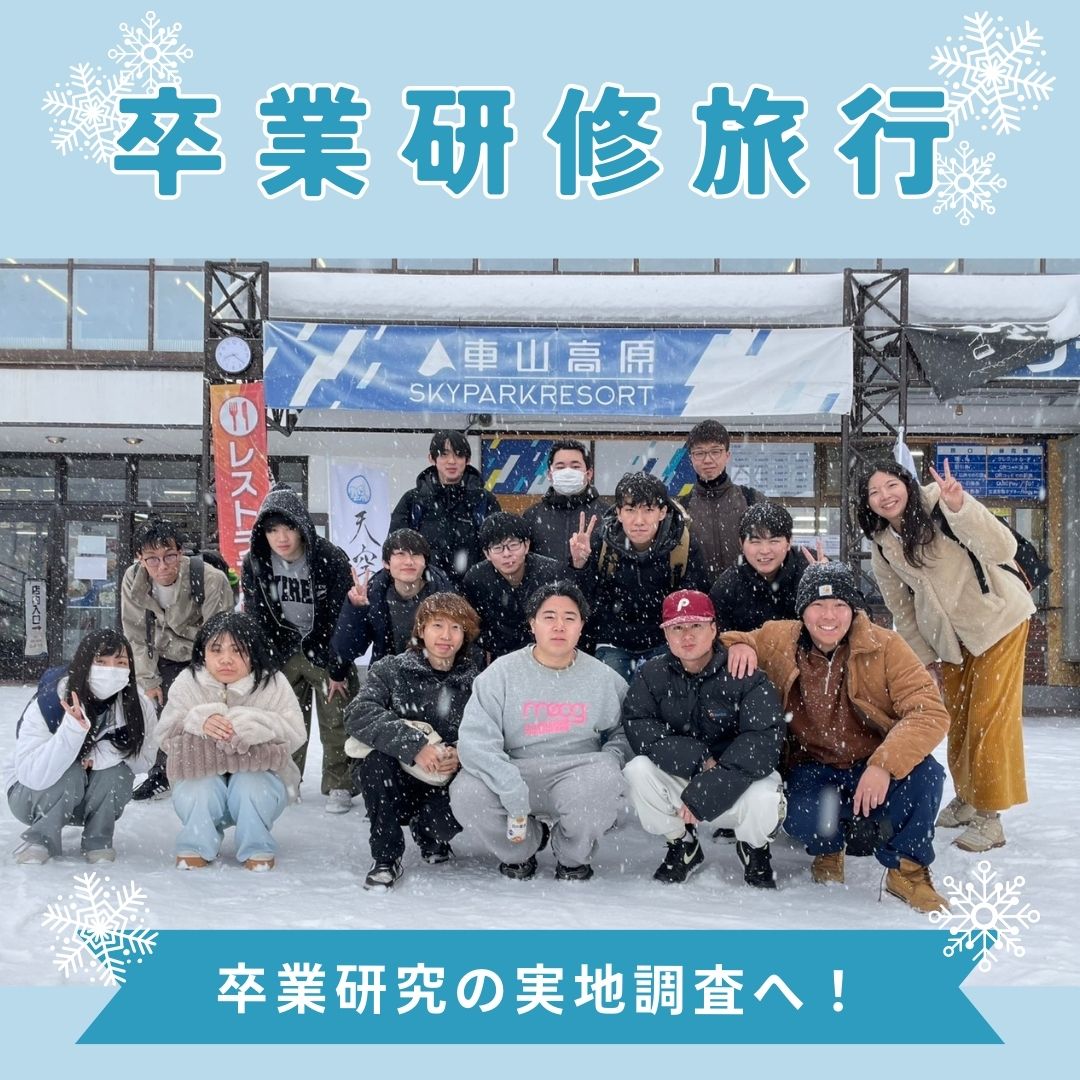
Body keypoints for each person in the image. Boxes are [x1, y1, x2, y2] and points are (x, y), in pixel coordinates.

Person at [724, 562, 951, 913]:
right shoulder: (779, 638)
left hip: (871, 760)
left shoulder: (886, 646)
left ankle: (907, 870)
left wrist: (884, 765)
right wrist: (740, 645)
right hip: (812, 766)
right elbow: (727, 640)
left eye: (839, 605)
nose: (828, 615)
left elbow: (929, 711)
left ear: (853, 609)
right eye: (817, 605)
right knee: (802, 814)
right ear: (802, 610)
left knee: (926, 776)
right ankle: (828, 849)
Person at [859, 457, 1035, 853]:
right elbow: (902, 609)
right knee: (955, 718)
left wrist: (961, 508)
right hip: (948, 641)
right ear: (866, 502)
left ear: (907, 483)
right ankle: (968, 796)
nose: (885, 496)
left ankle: (989, 816)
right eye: (874, 492)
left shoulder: (941, 502)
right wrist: (924, 660)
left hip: (996, 620)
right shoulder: (883, 545)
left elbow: (1002, 548)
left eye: (891, 485)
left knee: (988, 717)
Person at [451, 581, 630, 881]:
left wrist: (611, 758)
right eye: (549, 617)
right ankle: (521, 849)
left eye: (569, 618)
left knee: (603, 779)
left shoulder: (603, 678)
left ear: (581, 626)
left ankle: (571, 855)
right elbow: (475, 740)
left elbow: (627, 729)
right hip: (513, 770)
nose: (559, 626)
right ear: (532, 623)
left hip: (577, 772)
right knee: (466, 793)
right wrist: (509, 785)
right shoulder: (501, 673)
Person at [623, 590, 786, 887]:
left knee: (766, 796)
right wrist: (698, 759)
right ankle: (682, 844)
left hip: (736, 779)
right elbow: (639, 725)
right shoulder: (651, 674)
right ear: (666, 634)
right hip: (687, 773)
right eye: (677, 628)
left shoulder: (745, 672)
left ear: (713, 628)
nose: (687, 635)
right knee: (638, 770)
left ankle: (754, 848)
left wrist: (710, 787)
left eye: (696, 625)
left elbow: (763, 740)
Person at [344, 593, 481, 890]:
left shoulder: (477, 680)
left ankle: (429, 833)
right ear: (421, 629)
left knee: (452, 813)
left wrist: (461, 753)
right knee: (375, 764)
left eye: (456, 627)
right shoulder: (392, 669)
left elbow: (492, 730)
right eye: (437, 625)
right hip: (399, 776)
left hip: (447, 779)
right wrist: (415, 746)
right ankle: (386, 857)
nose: (446, 636)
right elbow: (358, 712)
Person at [241, 482, 358, 814]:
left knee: (337, 717)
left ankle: (339, 783)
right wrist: (264, 662)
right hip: (283, 648)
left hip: (325, 647)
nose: (281, 537)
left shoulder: (329, 558)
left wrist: (337, 665)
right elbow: (257, 615)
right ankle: (286, 779)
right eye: (272, 530)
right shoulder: (256, 562)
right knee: (286, 720)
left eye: (288, 528)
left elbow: (343, 616)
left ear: (302, 526)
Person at [157, 612, 305, 871]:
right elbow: (164, 736)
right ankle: (196, 843)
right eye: (216, 650)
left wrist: (261, 724)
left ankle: (256, 845)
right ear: (203, 652)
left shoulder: (272, 682)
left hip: (261, 775)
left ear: (253, 652)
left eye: (238, 650)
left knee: (251, 785)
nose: (226, 659)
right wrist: (197, 721)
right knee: (200, 787)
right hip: (200, 771)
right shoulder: (188, 681)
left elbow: (296, 733)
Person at [7, 628, 157, 864]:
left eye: (120, 663)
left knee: (115, 773)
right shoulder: (51, 701)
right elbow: (31, 774)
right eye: (101, 662)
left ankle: (98, 841)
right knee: (71, 773)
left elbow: (144, 761)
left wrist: (103, 753)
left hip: (88, 799)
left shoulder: (138, 705)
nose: (111, 670)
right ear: (84, 663)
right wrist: (72, 733)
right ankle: (40, 840)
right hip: (31, 797)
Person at [120, 519, 233, 800]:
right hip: (162, 654)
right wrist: (149, 679)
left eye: (169, 556)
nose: (162, 566)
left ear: (180, 552)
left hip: (203, 654)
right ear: (139, 558)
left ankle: (221, 772)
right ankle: (162, 773)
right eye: (152, 559)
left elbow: (219, 637)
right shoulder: (133, 580)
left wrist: (209, 680)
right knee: (162, 712)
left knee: (211, 710)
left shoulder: (210, 579)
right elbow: (135, 634)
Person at [569, 471, 709, 682]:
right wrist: (580, 566)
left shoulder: (682, 544)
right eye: (630, 510)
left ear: (662, 512)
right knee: (609, 694)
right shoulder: (602, 542)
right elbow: (583, 599)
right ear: (619, 512)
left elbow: (696, 600)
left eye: (648, 510)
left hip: (664, 640)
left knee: (666, 692)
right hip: (613, 641)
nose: (639, 521)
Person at [389, 430, 501, 586]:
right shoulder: (413, 501)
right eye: (444, 455)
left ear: (468, 460)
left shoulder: (484, 500)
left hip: (474, 590)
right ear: (431, 458)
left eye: (459, 455)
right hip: (425, 589)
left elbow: (498, 548)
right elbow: (395, 549)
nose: (451, 461)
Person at [331, 528, 455, 667]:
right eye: (400, 554)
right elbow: (347, 651)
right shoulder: (375, 594)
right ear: (386, 563)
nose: (409, 561)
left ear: (425, 561)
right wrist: (356, 609)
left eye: (415, 554)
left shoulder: (446, 596)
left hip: (435, 674)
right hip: (386, 675)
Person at [710, 503, 826, 632]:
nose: (765, 550)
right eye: (755, 542)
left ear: (789, 542)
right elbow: (717, 637)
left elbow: (837, 621)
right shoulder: (727, 586)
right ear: (741, 544)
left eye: (774, 541)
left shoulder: (813, 567)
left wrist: (828, 582)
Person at [462, 512, 561, 662]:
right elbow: (471, 625)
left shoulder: (551, 573)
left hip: (546, 652)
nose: (507, 554)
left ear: (526, 545)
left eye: (513, 545)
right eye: (497, 548)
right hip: (499, 655)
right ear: (487, 554)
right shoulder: (476, 578)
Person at [682, 420, 764, 580]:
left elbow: (778, 545)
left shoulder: (752, 500)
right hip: (698, 593)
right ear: (691, 458)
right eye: (700, 453)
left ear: (727, 455)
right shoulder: (682, 509)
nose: (708, 460)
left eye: (715, 451)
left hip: (746, 591)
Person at [522, 440, 605, 561]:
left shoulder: (606, 514)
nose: (567, 472)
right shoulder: (532, 516)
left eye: (575, 467)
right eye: (560, 467)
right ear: (550, 474)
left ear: (589, 473)